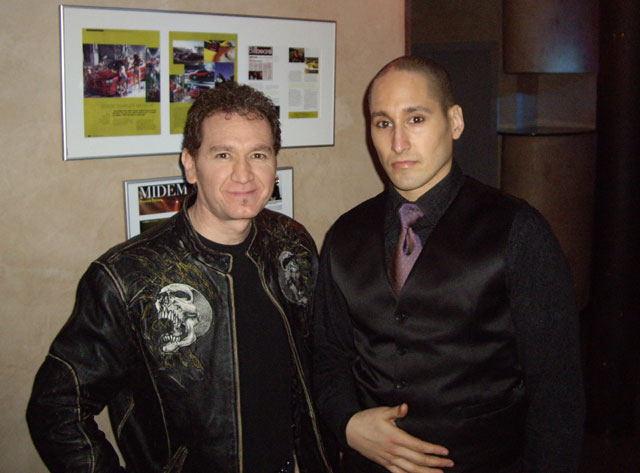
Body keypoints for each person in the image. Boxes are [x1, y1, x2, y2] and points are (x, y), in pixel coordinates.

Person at [27, 82, 334, 473]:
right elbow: (56, 407)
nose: (244, 174)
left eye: (258, 154)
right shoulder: (126, 277)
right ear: (190, 164)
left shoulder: (293, 243)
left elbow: (321, 359)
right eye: (223, 154)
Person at [312, 56, 584, 473]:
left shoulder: (518, 230)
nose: (398, 142)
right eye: (383, 123)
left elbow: (556, 390)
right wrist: (347, 424)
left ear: (454, 122)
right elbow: (327, 355)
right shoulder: (344, 235)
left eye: (416, 119)